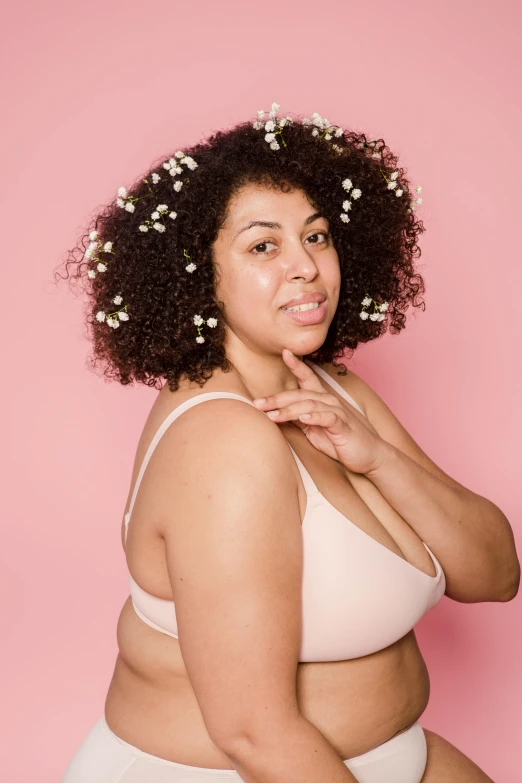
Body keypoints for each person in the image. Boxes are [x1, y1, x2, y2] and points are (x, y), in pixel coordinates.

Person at [57, 104, 519, 782]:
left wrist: (380, 460)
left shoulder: (338, 396)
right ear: (199, 276)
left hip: (387, 756)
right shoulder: (223, 441)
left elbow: (498, 575)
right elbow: (254, 734)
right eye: (263, 246)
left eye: (318, 236)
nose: (305, 267)